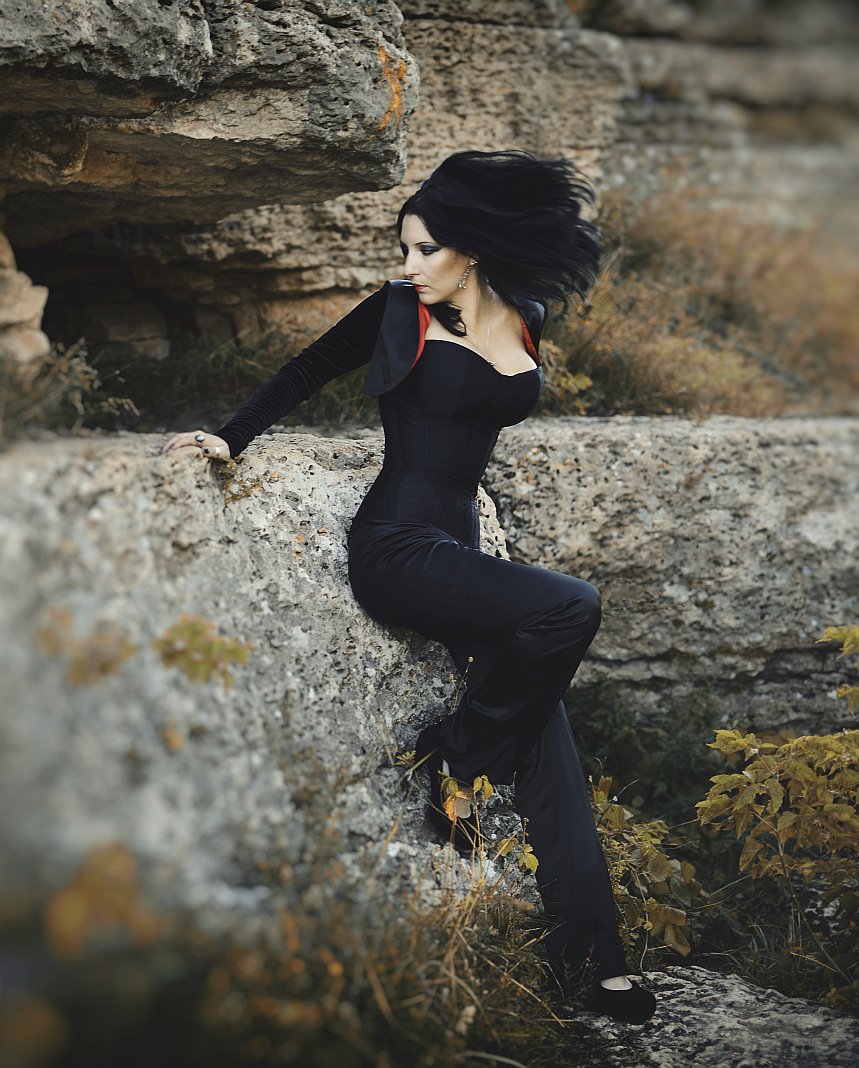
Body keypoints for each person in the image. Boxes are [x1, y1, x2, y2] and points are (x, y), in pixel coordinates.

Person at [160, 150, 657, 1024]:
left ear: (472, 249)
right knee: (571, 604)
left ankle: (596, 961)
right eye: (404, 249)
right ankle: (456, 756)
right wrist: (228, 438)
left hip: (460, 555)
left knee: (547, 734)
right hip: (395, 548)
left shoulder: (527, 316)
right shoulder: (399, 311)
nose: (409, 265)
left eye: (425, 249)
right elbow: (306, 369)